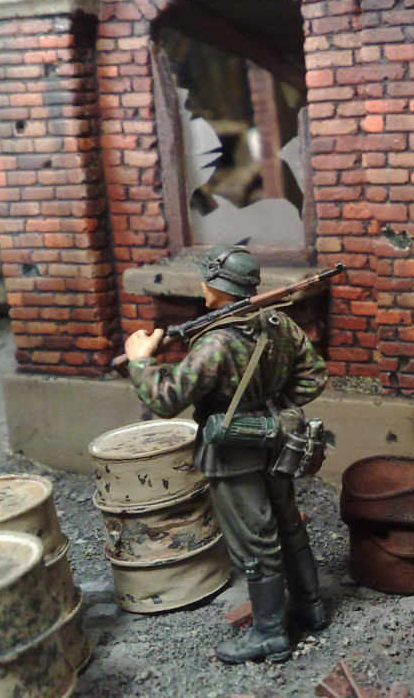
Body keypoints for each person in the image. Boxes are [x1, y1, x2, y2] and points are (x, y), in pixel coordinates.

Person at [122, 245, 330, 663]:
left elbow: (166, 399)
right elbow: (314, 376)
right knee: (287, 525)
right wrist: (273, 411)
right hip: (275, 441)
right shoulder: (279, 322)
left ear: (219, 286)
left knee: (255, 542)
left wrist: (140, 362)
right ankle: (310, 607)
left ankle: (270, 634)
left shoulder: (216, 342)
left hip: (233, 454)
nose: (202, 285)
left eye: (207, 279)